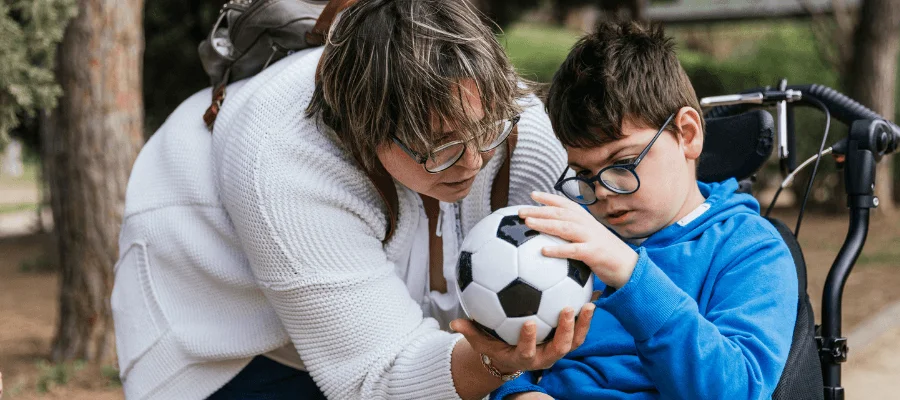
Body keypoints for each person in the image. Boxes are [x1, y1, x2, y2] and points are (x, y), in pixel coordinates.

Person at [110, 1, 594, 399]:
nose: (472, 160)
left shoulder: (512, 120)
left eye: (485, 130)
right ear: (365, 131)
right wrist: (496, 366)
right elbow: (375, 378)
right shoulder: (286, 165)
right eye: (440, 147)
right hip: (223, 339)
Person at [493, 22, 799, 400]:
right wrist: (518, 391)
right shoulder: (574, 233)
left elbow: (736, 391)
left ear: (687, 134)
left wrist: (631, 275)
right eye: (584, 173)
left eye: (623, 162)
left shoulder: (750, 249)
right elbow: (520, 350)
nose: (602, 190)